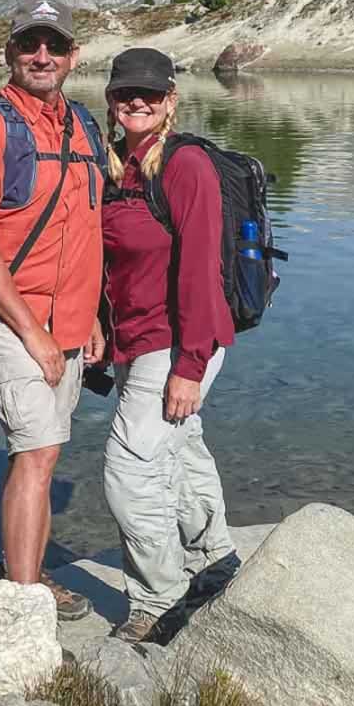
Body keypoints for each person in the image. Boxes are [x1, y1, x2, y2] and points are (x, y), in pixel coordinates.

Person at [0, 0, 106, 621]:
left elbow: (85, 228)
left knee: (44, 451)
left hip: (68, 320)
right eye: (29, 45)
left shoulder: (83, 124)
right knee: (36, 454)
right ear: (8, 52)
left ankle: (20, 570)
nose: (42, 57)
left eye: (54, 46)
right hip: (14, 322)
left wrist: (89, 314)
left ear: (73, 56)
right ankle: (25, 601)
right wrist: (32, 331)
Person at [99, 46, 238, 642]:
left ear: (170, 101)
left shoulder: (185, 167)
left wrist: (190, 365)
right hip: (140, 339)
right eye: (125, 92)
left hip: (182, 339)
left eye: (150, 94)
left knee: (129, 467)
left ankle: (160, 598)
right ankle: (215, 560)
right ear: (110, 101)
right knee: (179, 449)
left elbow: (202, 272)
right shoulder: (118, 167)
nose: (137, 101)